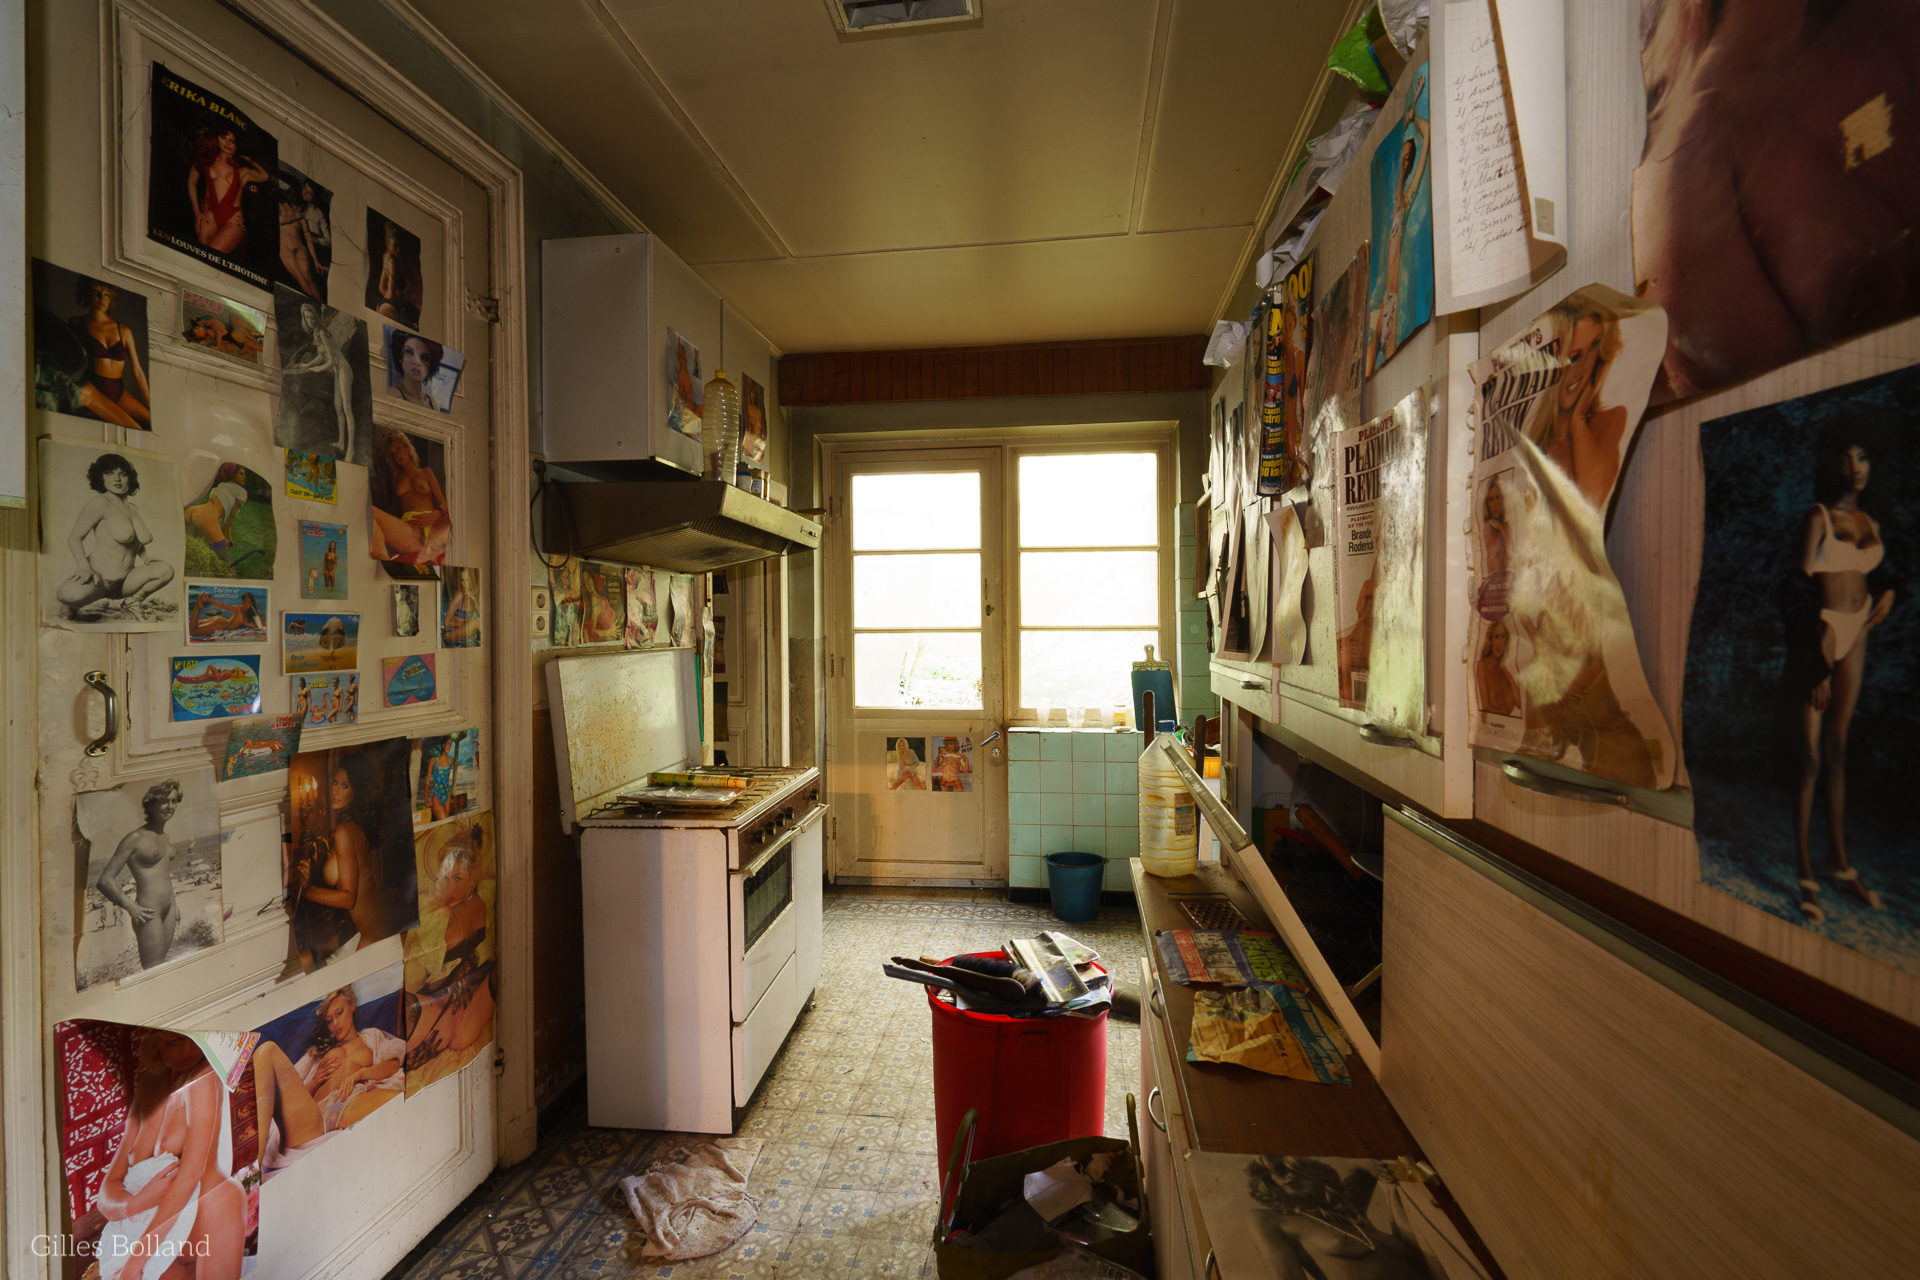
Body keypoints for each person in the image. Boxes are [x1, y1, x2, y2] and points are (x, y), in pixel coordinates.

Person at [1785, 420, 1897, 924]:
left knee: (1836, 751)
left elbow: (1872, 571)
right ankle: (1804, 871)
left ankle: (1840, 863)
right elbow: (1797, 587)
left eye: (1863, 457)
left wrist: (1888, 593)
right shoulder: (1819, 516)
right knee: (1809, 758)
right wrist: (1815, 662)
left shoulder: (1872, 521)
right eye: (1846, 458)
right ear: (1833, 464)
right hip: (1822, 634)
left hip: (1859, 632)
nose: (1855, 468)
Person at [92, 1031, 244, 1280]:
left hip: (205, 1216)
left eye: (194, 1041)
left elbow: (190, 1175)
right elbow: (105, 1194)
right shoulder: (147, 1088)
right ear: (155, 1044)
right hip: (142, 1232)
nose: (187, 1051)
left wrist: (135, 1260)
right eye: (173, 1042)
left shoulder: (204, 1077)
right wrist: (137, 1202)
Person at [250, 985, 404, 1173]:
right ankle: (253, 1169)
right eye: (329, 1020)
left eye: (339, 1013)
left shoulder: (371, 1037)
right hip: (311, 1118)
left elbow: (392, 1065)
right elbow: (284, 1097)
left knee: (402, 1101)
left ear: (352, 1006)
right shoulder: (317, 1053)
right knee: (266, 1051)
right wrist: (314, 1082)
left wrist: (360, 1074)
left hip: (345, 1103)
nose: (336, 1023)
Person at [1244, 1156, 1462, 1279]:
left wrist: (1373, 1165)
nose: (1289, 1176)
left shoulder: (1349, 1208)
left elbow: (1366, 1165)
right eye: (1278, 1173)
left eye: (1292, 1168)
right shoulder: (1269, 1221)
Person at [1524, 298, 1632, 512]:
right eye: (1573, 357)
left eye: (1593, 348)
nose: (1582, 368)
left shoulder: (1611, 420)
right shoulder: (1533, 442)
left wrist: (1578, 420)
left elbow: (1592, 495)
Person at [1364, 70, 1430, 373]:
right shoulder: (1394, 203)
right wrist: (1412, 105)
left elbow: (1426, 140)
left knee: (1390, 368)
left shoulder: (1406, 202)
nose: (1403, 164)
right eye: (1401, 159)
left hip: (1393, 300)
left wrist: (1415, 114)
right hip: (1383, 302)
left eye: (1407, 160)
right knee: (1371, 368)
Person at [58, 453, 176, 620]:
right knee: (68, 595)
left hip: (126, 582)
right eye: (109, 473)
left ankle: (133, 602)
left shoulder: (133, 508)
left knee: (166, 570)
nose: (117, 479)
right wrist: (83, 566)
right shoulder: (100, 503)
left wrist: (144, 556)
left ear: (130, 478)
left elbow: (134, 539)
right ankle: (71, 606)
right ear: (101, 477)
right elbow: (74, 538)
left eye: (122, 474)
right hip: (99, 580)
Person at [296, 754, 388, 961]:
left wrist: (307, 891)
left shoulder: (344, 830)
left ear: (357, 790)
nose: (335, 791)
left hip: (370, 936)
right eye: (335, 783)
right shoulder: (356, 825)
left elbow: (348, 898)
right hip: (374, 928)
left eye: (345, 786)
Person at [93, 781, 185, 971]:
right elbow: (105, 880)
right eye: (164, 801)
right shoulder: (135, 838)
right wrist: (131, 907)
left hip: (169, 908)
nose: (170, 806)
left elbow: (163, 875)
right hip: (148, 910)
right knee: (152, 969)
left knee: (162, 966)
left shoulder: (165, 837)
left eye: (174, 801)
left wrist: (174, 903)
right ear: (151, 805)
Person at [69, 277, 152, 430]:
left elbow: (138, 371)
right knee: (137, 429)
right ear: (86, 295)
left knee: (153, 421)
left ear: (111, 300)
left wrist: (150, 402)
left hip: (118, 390)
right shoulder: (77, 323)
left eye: (106, 294)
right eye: (96, 293)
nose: (101, 298)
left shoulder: (124, 330)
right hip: (92, 388)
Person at [282, 302, 359, 462]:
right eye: (307, 318)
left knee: (346, 408)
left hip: (343, 370)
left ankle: (351, 449)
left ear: (316, 317)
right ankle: (341, 443)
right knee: (338, 407)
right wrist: (307, 365)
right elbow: (321, 356)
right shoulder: (317, 333)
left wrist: (316, 369)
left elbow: (331, 361)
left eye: (312, 317)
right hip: (337, 371)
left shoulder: (322, 333)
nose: (310, 320)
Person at [368, 427, 450, 565]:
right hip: (409, 528)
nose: (397, 455)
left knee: (459, 515)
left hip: (433, 525)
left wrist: (434, 515)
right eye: (393, 454)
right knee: (371, 511)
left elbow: (443, 503)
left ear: (406, 447)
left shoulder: (426, 472)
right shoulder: (396, 476)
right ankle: (383, 559)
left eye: (398, 449)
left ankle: (431, 548)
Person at [187, 126, 268, 258]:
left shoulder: (241, 171)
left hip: (233, 219)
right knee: (201, 256)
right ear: (216, 139)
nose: (228, 143)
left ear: (237, 147)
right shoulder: (207, 160)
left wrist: (250, 161)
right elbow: (191, 182)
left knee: (212, 257)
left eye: (232, 141)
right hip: (210, 214)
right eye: (224, 138)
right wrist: (196, 212)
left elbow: (264, 176)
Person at [183, 463, 262, 570]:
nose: (244, 477)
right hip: (207, 519)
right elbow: (230, 518)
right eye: (241, 473)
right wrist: (227, 537)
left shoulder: (222, 485)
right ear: (232, 474)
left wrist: (227, 537)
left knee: (189, 549)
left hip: (194, 510)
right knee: (226, 564)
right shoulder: (242, 493)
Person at [276, 174, 325, 300]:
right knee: (301, 280)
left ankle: (320, 304)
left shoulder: (300, 211)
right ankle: (313, 304)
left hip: (300, 248)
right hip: (285, 249)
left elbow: (308, 238)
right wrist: (295, 217)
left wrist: (315, 260)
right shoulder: (280, 206)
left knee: (309, 276)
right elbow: (279, 220)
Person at [371, 219, 422, 327]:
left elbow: (381, 288)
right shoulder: (392, 261)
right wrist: (399, 302)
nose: (398, 249)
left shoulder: (386, 257)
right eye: (395, 245)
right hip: (393, 305)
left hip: (385, 304)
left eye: (399, 246)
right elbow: (391, 291)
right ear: (388, 243)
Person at [388, 330, 445, 410]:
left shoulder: (433, 403)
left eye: (425, 358)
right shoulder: (393, 394)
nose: (417, 362)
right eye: (409, 352)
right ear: (400, 357)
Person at [1475, 621, 1520, 720]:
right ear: (1491, 641)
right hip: (1491, 727)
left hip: (1509, 727)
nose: (1499, 642)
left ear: (1506, 641)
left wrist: (1506, 671)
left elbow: (1519, 704)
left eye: (1503, 637)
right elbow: (1485, 707)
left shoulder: (1505, 672)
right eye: (1496, 637)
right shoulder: (1483, 666)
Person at [190, 590, 263, 640]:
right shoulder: (238, 608)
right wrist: (209, 599)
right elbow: (223, 606)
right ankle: (197, 607)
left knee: (192, 625)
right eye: (245, 601)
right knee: (192, 632)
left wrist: (254, 623)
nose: (247, 603)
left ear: (252, 603)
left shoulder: (248, 612)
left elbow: (250, 622)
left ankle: (198, 604)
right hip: (221, 625)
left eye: (249, 602)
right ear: (242, 601)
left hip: (221, 621)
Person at [442, 568, 479, 646]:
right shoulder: (459, 595)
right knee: (478, 622)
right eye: (462, 580)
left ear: (471, 581)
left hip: (464, 632)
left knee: (479, 622)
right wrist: (465, 625)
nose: (464, 583)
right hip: (450, 633)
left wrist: (474, 600)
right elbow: (446, 622)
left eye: (467, 580)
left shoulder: (474, 595)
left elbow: (484, 619)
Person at [425, 737, 458, 821]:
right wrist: (426, 800)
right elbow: (427, 781)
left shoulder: (450, 761)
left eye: (450, 744)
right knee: (443, 819)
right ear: (443, 745)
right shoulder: (434, 760)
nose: (449, 747)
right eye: (448, 744)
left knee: (447, 821)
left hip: (447, 795)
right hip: (436, 796)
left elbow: (446, 779)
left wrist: (450, 795)